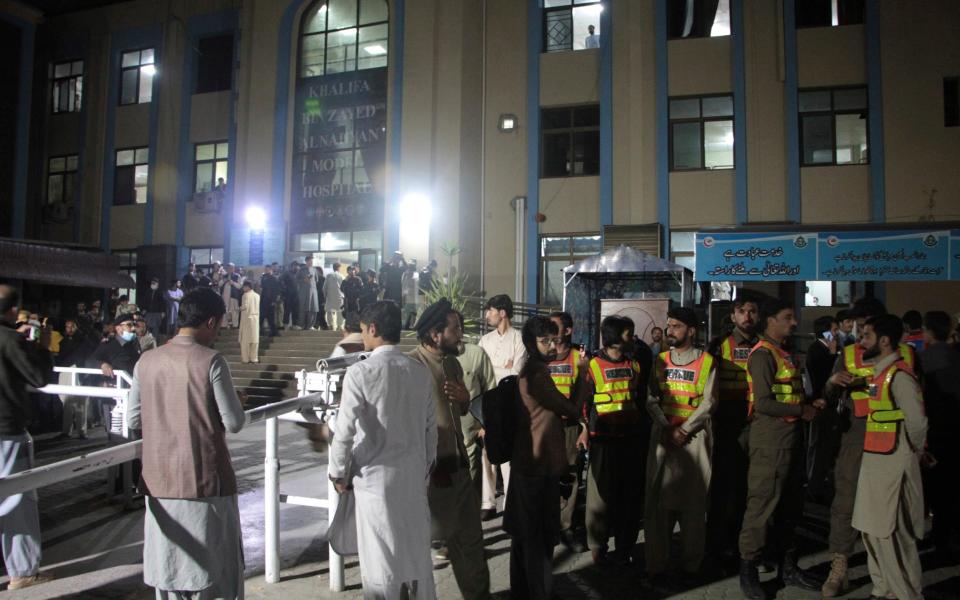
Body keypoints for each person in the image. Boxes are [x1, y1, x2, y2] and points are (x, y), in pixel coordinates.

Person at [126, 287, 246, 599]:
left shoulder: (146, 361)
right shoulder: (211, 361)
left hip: (158, 482)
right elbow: (234, 421)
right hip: (206, 482)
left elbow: (133, 421)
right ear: (211, 322)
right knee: (214, 572)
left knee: (169, 573)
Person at [329, 301, 438, 599]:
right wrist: (424, 470)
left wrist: (338, 472)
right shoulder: (418, 372)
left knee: (380, 567)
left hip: (375, 483)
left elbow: (345, 431)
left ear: (373, 329)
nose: (363, 336)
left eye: (363, 331)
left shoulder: (360, 372)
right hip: (413, 479)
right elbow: (431, 432)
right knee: (416, 560)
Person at [820, 297, 915, 598]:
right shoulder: (848, 354)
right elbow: (828, 392)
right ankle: (840, 566)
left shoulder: (907, 356)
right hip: (856, 436)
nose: (860, 329)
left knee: (890, 513)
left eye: (866, 323)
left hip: (893, 441)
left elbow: (918, 403)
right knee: (846, 501)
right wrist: (834, 381)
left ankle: (894, 580)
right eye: (858, 323)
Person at [738, 297, 822, 600]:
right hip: (771, 441)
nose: (794, 322)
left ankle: (788, 566)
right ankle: (748, 569)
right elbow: (762, 403)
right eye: (788, 316)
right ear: (771, 320)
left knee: (790, 506)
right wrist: (802, 411)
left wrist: (808, 406)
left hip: (791, 439)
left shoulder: (784, 353)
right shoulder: (763, 355)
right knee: (761, 506)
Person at [408, 299, 491, 600]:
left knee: (471, 546)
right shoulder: (412, 366)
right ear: (434, 334)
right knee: (415, 554)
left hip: (460, 472)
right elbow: (407, 426)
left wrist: (466, 397)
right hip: (431, 479)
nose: (461, 335)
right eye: (455, 329)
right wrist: (429, 469)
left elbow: (461, 409)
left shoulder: (453, 363)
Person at [851, 314, 927, 600]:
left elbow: (918, 423)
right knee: (872, 530)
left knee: (892, 534)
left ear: (883, 341)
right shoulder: (880, 374)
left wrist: (914, 453)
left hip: (893, 461)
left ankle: (905, 593)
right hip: (876, 461)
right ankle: (883, 588)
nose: (861, 342)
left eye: (866, 336)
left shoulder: (900, 376)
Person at [505, 317, 580, 599]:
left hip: (532, 464)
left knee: (525, 536)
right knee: (537, 537)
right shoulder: (536, 374)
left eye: (554, 339)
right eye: (544, 341)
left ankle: (523, 591)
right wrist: (584, 378)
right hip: (537, 466)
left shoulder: (534, 370)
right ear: (529, 343)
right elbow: (569, 409)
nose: (552, 346)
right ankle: (538, 593)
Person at [645, 307, 716, 582]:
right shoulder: (660, 360)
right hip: (664, 439)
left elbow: (709, 403)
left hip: (694, 440)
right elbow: (650, 398)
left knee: (693, 505)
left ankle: (691, 566)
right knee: (658, 504)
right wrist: (666, 428)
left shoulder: (706, 361)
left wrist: (683, 430)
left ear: (691, 330)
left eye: (676, 326)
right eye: (669, 325)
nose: (669, 330)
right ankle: (656, 566)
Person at [577, 316, 644, 566]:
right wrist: (584, 428)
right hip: (603, 439)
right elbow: (584, 402)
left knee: (628, 497)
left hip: (629, 439)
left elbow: (637, 396)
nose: (633, 338)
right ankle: (597, 547)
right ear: (616, 337)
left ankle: (625, 547)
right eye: (629, 333)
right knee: (600, 497)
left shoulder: (634, 365)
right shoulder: (592, 365)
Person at [705, 291, 761, 568]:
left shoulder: (766, 345)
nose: (747, 316)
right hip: (727, 425)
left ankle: (744, 545)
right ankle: (716, 545)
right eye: (742, 311)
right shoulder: (719, 345)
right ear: (733, 316)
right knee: (723, 487)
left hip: (758, 424)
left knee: (749, 488)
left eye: (752, 311)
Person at [477, 294, 526, 520]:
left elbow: (515, 373)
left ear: (503, 312)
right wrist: (501, 368)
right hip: (487, 403)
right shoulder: (484, 341)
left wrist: (496, 370)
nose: (487, 315)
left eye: (491, 310)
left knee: (507, 454)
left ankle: (509, 502)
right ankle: (488, 502)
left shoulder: (519, 338)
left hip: (508, 405)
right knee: (486, 452)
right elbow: (480, 373)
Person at [919, 311, 960, 561]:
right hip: (956, 430)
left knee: (937, 489)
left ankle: (940, 538)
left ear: (927, 331)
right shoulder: (956, 356)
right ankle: (949, 537)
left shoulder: (923, 360)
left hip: (935, 432)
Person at [547, 311, 587, 551]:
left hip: (570, 427)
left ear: (568, 331)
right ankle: (549, 526)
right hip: (545, 427)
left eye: (555, 326)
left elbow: (587, 398)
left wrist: (584, 428)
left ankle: (566, 528)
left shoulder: (578, 359)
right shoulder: (542, 357)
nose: (550, 330)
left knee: (570, 478)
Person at [456, 320, 498, 492]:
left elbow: (490, 389)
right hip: (442, 439)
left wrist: (486, 424)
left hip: (470, 436)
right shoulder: (433, 358)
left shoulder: (476, 354)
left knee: (469, 489)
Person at [806, 315, 841, 502]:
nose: (836, 335)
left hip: (825, 403)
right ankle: (814, 485)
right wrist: (833, 354)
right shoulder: (819, 350)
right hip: (820, 403)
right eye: (834, 331)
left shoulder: (822, 348)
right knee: (818, 444)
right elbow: (822, 376)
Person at [56, 318, 94, 440]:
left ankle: (82, 431)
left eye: (72, 326)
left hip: (79, 372)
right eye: (67, 327)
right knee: (67, 401)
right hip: (66, 371)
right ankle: (66, 430)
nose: (70, 329)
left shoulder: (84, 340)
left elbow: (85, 355)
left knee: (80, 402)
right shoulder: (63, 341)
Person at [239, 281, 260, 364]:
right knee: (254, 340)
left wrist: (239, 308)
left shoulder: (245, 295)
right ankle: (254, 358)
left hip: (247, 319)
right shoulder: (257, 296)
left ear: (247, 287)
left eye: (244, 287)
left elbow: (245, 306)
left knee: (245, 341)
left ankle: (245, 359)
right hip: (255, 319)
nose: (243, 288)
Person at [297, 257, 320, 331]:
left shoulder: (314, 270)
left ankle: (310, 325)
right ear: (306, 261)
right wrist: (303, 280)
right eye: (309, 261)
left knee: (312, 308)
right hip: (303, 292)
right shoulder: (301, 270)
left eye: (312, 261)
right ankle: (301, 325)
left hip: (313, 292)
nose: (311, 262)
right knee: (302, 308)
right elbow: (296, 280)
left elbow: (316, 280)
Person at [259, 264, 281, 337]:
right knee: (262, 316)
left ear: (271, 270)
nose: (266, 271)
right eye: (265, 269)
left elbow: (276, 290)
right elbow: (262, 289)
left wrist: (274, 301)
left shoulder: (274, 278)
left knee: (270, 317)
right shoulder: (263, 278)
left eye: (268, 269)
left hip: (270, 300)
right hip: (264, 300)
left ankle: (274, 331)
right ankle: (261, 330)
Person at [323, 263, 345, 332]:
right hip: (339, 296)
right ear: (339, 268)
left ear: (333, 268)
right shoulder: (342, 276)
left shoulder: (329, 276)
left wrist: (325, 295)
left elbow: (324, 287)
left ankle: (331, 325)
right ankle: (339, 326)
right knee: (340, 312)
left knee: (329, 311)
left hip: (330, 296)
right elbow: (344, 287)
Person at [221, 263, 243, 328]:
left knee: (234, 311)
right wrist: (223, 281)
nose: (229, 269)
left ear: (233, 268)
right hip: (225, 296)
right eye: (228, 268)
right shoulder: (224, 276)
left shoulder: (237, 276)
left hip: (234, 296)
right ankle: (224, 324)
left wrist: (233, 283)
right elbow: (219, 284)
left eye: (231, 268)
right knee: (225, 310)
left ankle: (235, 325)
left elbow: (240, 286)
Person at [281, 261, 300, 329]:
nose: (297, 267)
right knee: (287, 310)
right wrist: (284, 290)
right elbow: (280, 281)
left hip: (296, 294)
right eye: (295, 266)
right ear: (292, 266)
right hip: (288, 295)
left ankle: (295, 324)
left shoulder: (298, 274)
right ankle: (285, 324)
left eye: (297, 266)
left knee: (296, 310)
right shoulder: (286, 273)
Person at [401, 264, 419, 330]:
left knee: (412, 314)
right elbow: (404, 289)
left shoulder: (411, 276)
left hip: (412, 299)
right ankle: (408, 327)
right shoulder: (407, 276)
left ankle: (410, 327)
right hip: (409, 299)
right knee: (409, 314)